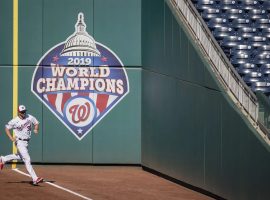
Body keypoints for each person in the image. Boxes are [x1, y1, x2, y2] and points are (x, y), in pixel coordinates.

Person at [0, 105, 43, 185]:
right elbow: (6, 128)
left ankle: (3, 159)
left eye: (24, 111)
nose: (24, 113)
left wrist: (36, 129)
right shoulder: (14, 121)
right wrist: (11, 138)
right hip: (19, 141)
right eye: (22, 112)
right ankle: (35, 179)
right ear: (19, 112)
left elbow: (36, 123)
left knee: (21, 156)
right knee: (27, 159)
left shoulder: (29, 117)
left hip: (26, 142)